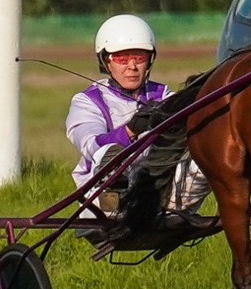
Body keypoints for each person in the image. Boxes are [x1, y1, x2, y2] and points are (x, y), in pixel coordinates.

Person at [64, 14, 208, 217]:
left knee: (206, 152)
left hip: (158, 189)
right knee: (108, 155)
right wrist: (130, 130)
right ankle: (120, 208)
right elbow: (91, 145)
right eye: (122, 58)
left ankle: (174, 212)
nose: (131, 66)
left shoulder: (164, 95)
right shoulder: (88, 101)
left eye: (139, 57)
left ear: (149, 60)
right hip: (105, 201)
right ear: (106, 61)